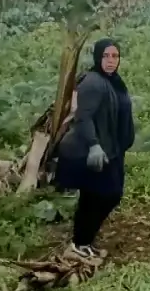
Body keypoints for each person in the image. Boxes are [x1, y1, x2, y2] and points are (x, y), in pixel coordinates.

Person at [55, 39, 135, 258]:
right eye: (106, 56)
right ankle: (80, 243)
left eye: (115, 56)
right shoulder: (93, 82)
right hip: (93, 151)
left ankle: (83, 241)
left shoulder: (112, 81)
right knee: (105, 195)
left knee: (95, 197)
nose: (110, 61)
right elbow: (83, 117)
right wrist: (94, 146)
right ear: (98, 58)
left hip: (111, 149)